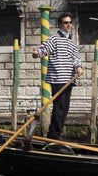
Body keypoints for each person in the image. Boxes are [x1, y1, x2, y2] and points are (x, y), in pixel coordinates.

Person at [32, 12, 84, 140]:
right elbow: (44, 49)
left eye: (70, 22)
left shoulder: (72, 43)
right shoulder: (54, 38)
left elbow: (76, 59)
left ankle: (56, 134)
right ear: (60, 25)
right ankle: (53, 136)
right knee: (59, 108)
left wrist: (79, 67)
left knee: (64, 109)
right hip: (58, 78)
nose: (69, 25)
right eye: (66, 23)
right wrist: (37, 53)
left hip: (69, 79)